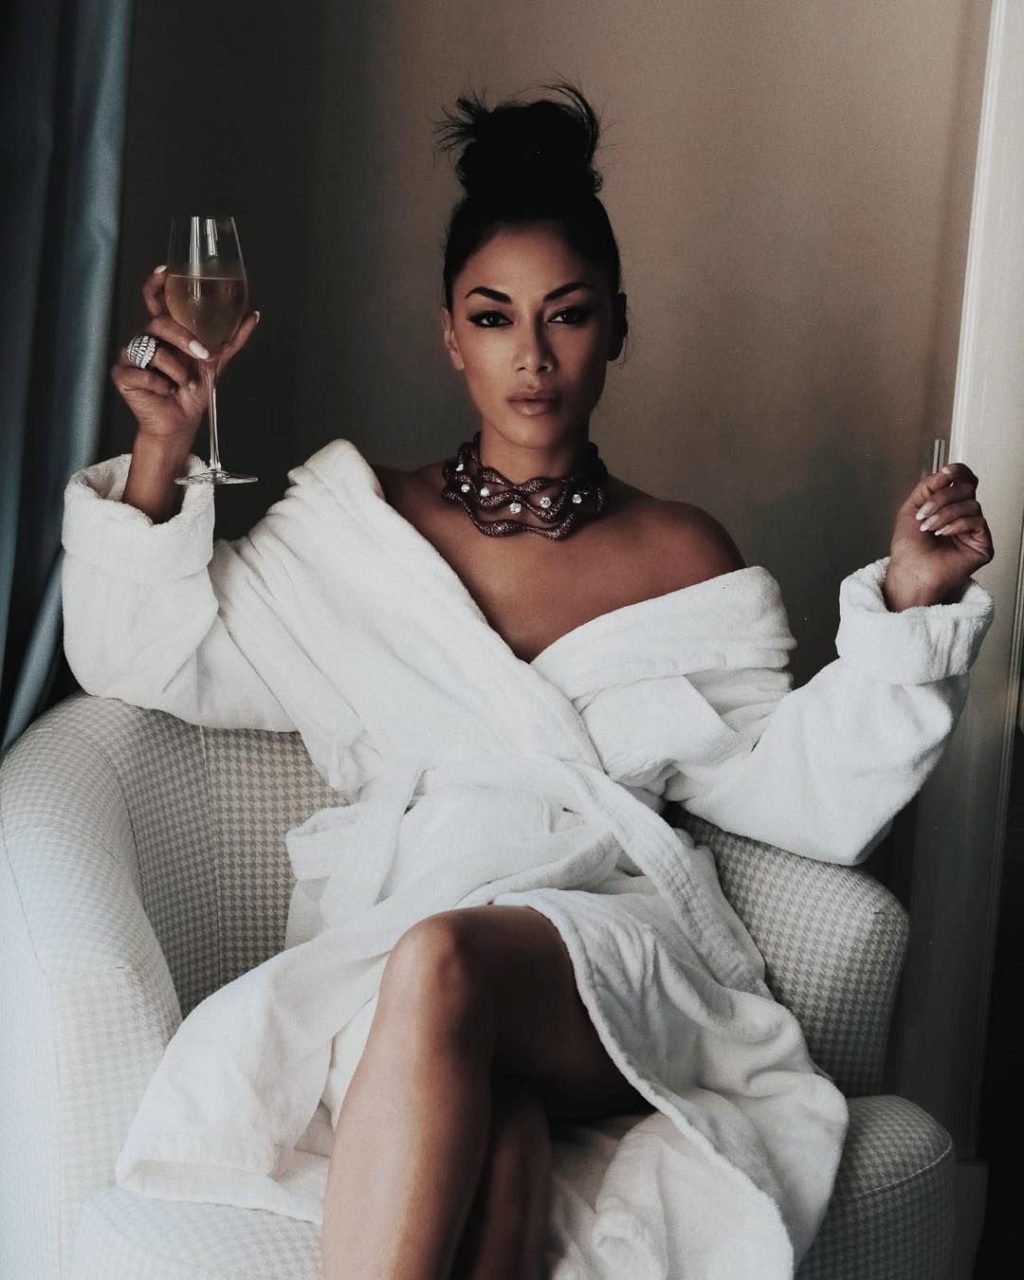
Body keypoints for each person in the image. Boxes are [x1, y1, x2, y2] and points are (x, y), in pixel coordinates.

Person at [63, 83, 995, 1280]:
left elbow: (798, 794)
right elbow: (139, 655)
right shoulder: (355, 531)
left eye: (568, 315)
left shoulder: (683, 555)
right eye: (494, 317)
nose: (533, 356)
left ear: (617, 327)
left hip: (607, 954)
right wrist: (162, 447)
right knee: (498, 1157)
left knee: (447, 963)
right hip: (396, 951)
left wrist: (908, 601)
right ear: (451, 335)